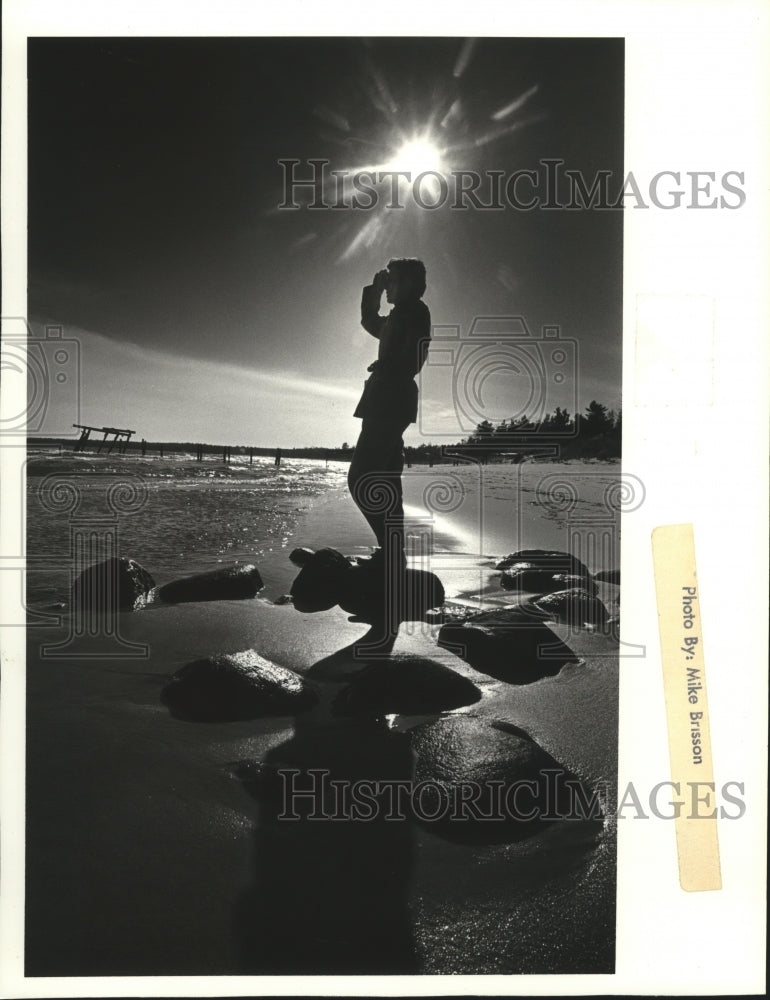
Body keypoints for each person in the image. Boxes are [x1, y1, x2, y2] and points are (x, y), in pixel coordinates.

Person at [347, 257, 431, 576]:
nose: (388, 283)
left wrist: (388, 366)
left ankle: (391, 549)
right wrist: (375, 290)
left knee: (361, 478)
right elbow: (370, 321)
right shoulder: (398, 315)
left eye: (393, 279)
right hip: (386, 399)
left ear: (408, 283)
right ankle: (393, 553)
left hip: (391, 400)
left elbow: (415, 354)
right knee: (387, 480)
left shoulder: (415, 312)